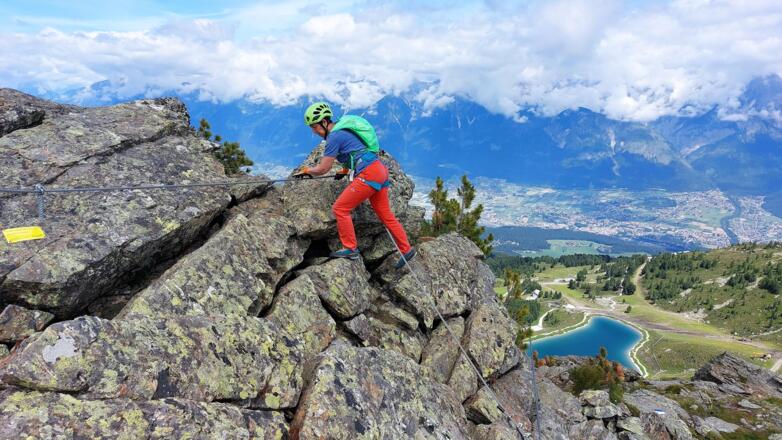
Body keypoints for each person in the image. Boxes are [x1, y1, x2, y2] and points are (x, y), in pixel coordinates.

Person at [293, 102, 416, 268]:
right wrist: (345, 170)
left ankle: (350, 248)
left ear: (324, 122)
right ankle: (406, 249)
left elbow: (323, 168)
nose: (313, 131)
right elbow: (354, 152)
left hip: (369, 173)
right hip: (379, 170)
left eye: (314, 126)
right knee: (385, 214)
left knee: (340, 209)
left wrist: (308, 170)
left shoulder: (334, 137)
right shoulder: (343, 132)